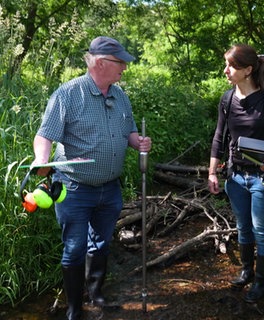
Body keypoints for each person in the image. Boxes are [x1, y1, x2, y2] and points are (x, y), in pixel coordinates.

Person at [31, 36, 152, 320]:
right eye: (120, 62)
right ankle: (75, 308)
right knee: (74, 248)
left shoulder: (120, 95)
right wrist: (41, 159)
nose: (125, 67)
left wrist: (139, 143)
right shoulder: (68, 94)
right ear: (100, 63)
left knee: (101, 243)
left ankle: (96, 294)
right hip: (74, 188)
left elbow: (129, 131)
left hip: (110, 189)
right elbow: (44, 135)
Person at [208, 44, 264, 303]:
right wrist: (212, 173)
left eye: (231, 66)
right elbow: (219, 137)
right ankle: (246, 271)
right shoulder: (227, 99)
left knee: (262, 230)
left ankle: (261, 283)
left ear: (248, 70)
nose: (226, 71)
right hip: (236, 177)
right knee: (243, 227)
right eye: (226, 64)